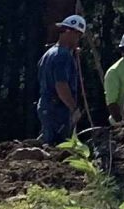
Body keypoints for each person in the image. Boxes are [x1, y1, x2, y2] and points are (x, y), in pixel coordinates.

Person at [37, 15, 89, 145]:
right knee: (59, 145)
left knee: (50, 141)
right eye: (78, 36)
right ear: (71, 33)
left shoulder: (50, 53)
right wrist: (73, 108)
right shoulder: (63, 56)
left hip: (46, 105)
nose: (78, 40)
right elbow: (61, 86)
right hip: (57, 109)